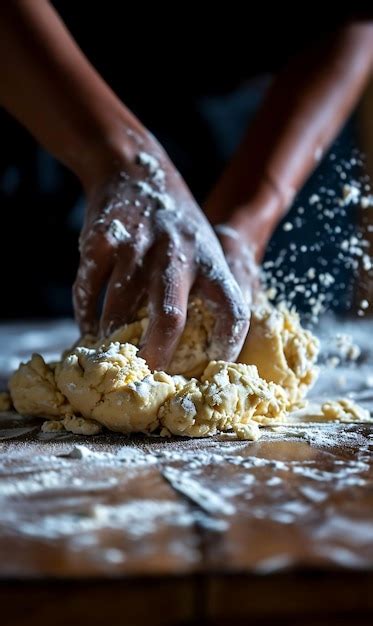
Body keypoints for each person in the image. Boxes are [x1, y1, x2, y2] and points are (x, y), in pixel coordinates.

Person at [0, 2, 372, 370]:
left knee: (235, 301)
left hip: (265, 121)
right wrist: (117, 157)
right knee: (41, 314)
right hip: (42, 89)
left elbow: (358, 18)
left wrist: (246, 220)